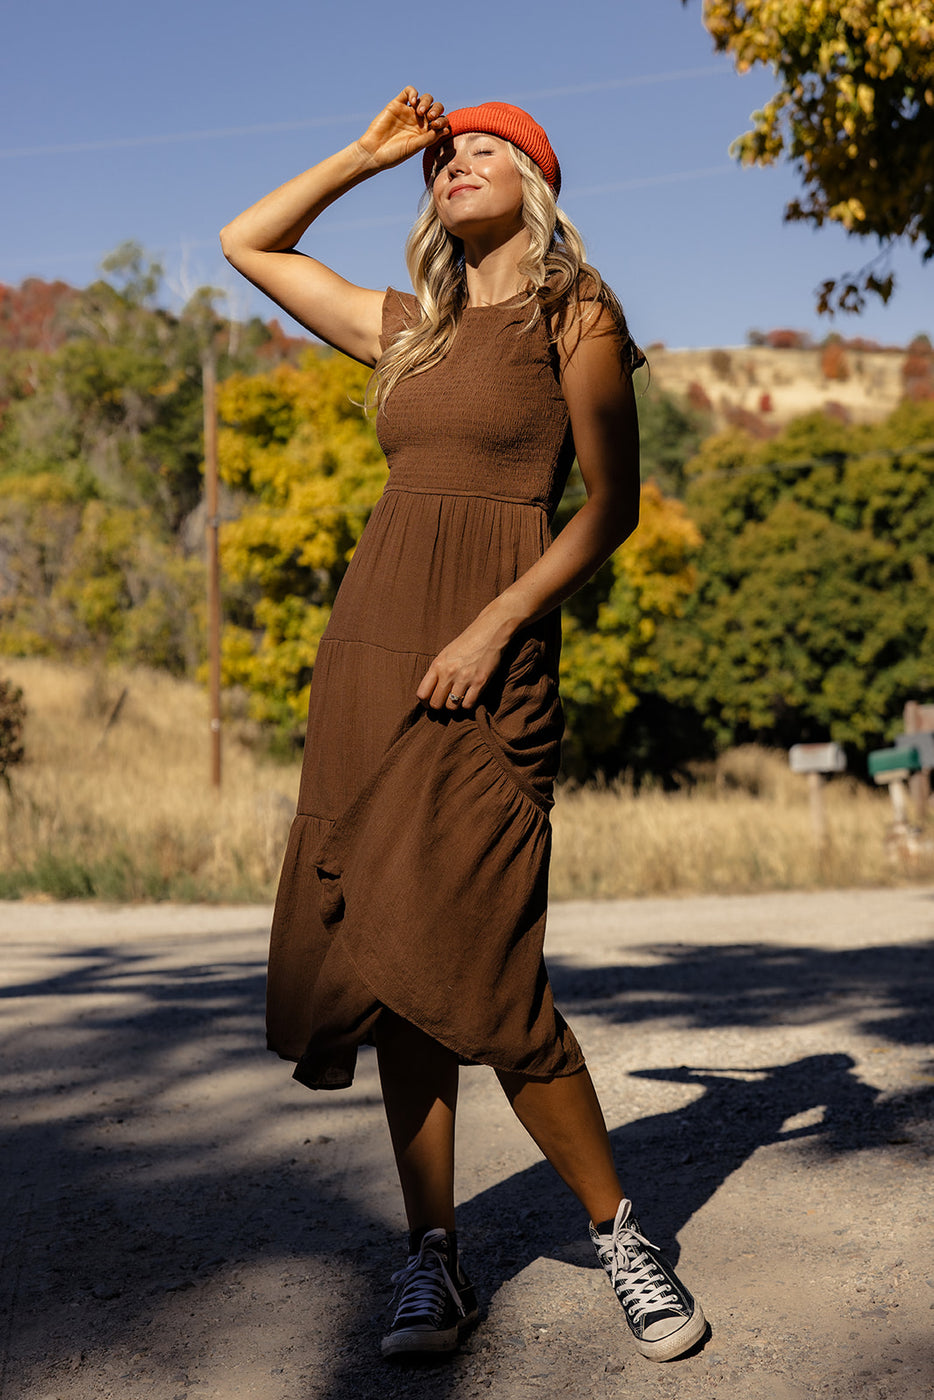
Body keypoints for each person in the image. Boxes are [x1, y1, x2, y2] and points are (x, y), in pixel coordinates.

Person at [220, 88, 706, 1365]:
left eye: (484, 149)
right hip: (372, 648)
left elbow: (611, 507)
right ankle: (431, 1257)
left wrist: (496, 625)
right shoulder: (407, 332)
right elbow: (247, 243)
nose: (456, 163)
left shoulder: (576, 308)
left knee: (487, 957)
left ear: (536, 181)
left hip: (491, 655)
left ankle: (618, 1232)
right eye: (442, 156)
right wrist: (366, 152)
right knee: (392, 962)